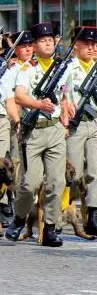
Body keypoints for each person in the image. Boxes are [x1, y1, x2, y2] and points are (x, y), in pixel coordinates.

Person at [3, 23, 69, 247]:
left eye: (51, 40)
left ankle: (50, 228)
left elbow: (64, 96)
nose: (48, 43)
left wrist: (67, 112)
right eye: (43, 40)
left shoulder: (62, 68)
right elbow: (20, 97)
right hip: (35, 131)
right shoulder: (27, 70)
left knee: (57, 182)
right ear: (35, 45)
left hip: (56, 130)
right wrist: (39, 104)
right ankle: (19, 218)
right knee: (30, 183)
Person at [61, 27, 97, 237]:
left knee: (95, 171)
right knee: (73, 174)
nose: (92, 48)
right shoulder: (67, 69)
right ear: (77, 45)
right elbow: (62, 97)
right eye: (88, 44)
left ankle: (92, 216)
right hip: (75, 124)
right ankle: (66, 211)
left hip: (95, 124)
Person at [0, 31, 34, 226]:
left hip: (24, 119)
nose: (28, 49)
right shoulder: (10, 70)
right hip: (10, 117)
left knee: (18, 163)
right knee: (7, 162)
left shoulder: (34, 69)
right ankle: (5, 204)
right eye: (23, 46)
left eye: (30, 46)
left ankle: (15, 202)